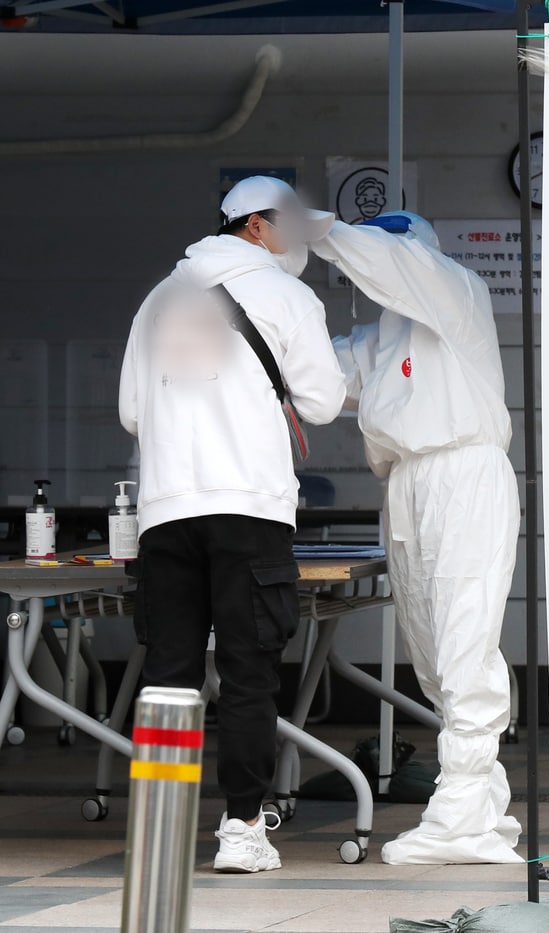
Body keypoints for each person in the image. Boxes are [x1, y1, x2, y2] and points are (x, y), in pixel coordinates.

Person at [118, 176, 347, 872]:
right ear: (254, 225)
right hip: (247, 506)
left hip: (166, 510)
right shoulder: (286, 296)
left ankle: (161, 830)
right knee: (248, 672)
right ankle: (243, 828)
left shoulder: (160, 296)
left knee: (169, 673)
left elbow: (132, 410)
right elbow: (326, 399)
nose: (300, 242)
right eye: (294, 228)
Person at [311, 212, 522, 865]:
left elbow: (401, 265)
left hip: (463, 472)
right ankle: (480, 803)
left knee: (464, 640)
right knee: (433, 654)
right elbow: (315, 377)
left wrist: (315, 228)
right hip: (407, 485)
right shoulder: (380, 340)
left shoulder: (456, 294)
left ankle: (459, 809)